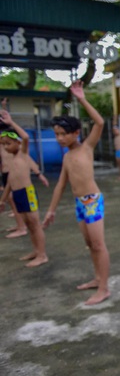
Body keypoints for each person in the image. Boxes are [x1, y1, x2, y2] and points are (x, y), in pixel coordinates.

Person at [43, 80, 111, 306]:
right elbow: (61, 186)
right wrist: (51, 211)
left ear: (75, 133)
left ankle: (104, 288)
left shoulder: (86, 148)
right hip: (79, 204)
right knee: (90, 245)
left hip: (93, 201)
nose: (59, 138)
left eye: (63, 134)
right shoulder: (67, 157)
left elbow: (99, 122)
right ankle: (98, 278)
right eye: (56, 134)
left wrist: (81, 98)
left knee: (99, 245)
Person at [0, 111, 48, 267]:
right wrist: (2, 200)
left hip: (28, 193)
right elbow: (9, 183)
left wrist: (11, 122)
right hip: (18, 194)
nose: (6, 147)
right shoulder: (13, 160)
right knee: (29, 225)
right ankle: (36, 251)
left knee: (35, 224)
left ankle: (42, 255)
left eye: (8, 143)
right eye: (4, 145)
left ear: (17, 143)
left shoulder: (22, 153)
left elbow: (25, 137)